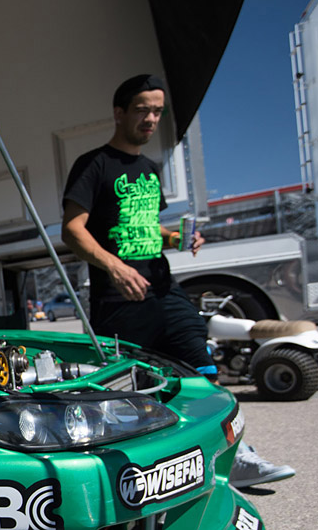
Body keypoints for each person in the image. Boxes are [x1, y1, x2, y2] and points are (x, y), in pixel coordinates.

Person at [61, 74, 294, 488]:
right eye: (142, 110)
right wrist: (114, 266)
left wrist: (178, 238)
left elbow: (144, 227)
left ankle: (234, 455)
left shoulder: (150, 170)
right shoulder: (93, 165)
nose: (151, 119)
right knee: (134, 387)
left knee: (200, 362)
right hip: (117, 298)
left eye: (157, 111)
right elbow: (73, 229)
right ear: (119, 113)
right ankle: (146, 473)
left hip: (162, 287)